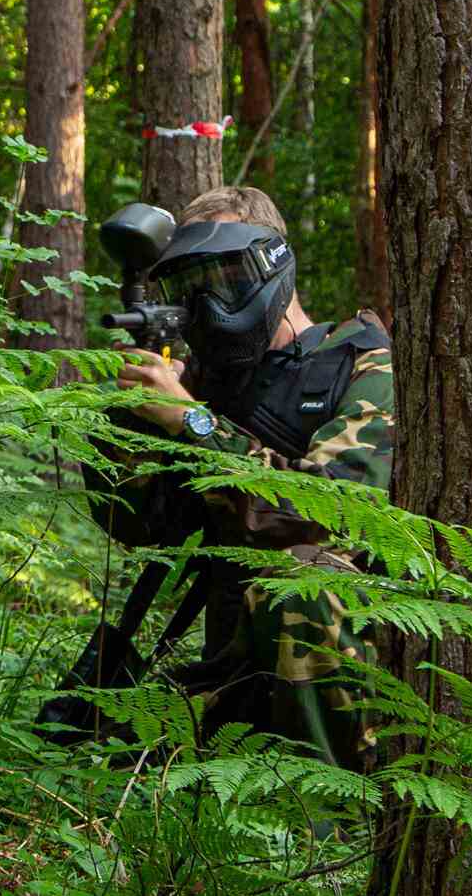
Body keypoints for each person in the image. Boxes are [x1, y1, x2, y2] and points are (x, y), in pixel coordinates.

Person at [39, 184, 394, 769]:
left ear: (272, 262)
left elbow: (328, 511)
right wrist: (130, 423)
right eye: (191, 285)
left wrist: (194, 423)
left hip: (345, 653)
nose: (208, 301)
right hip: (234, 656)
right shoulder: (204, 383)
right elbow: (136, 525)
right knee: (100, 756)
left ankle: (334, 809)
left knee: (302, 584)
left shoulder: (362, 364)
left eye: (224, 276)